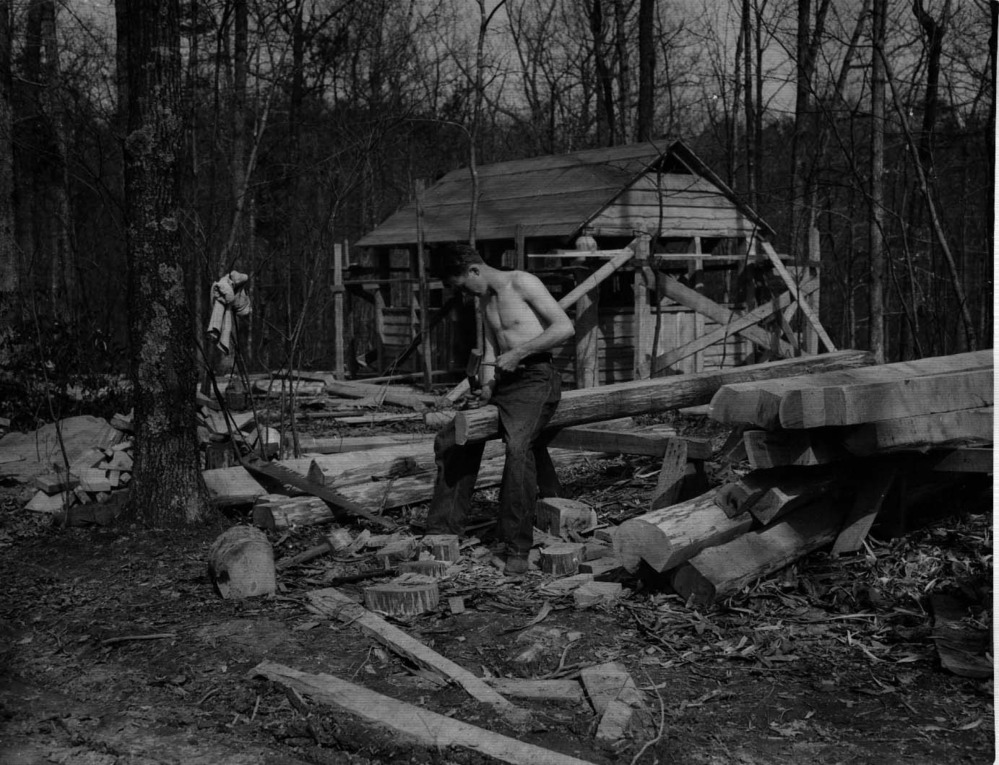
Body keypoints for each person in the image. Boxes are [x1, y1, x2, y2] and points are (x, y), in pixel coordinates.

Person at [425, 244, 574, 575]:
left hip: (537, 379)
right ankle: (441, 532)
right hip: (506, 384)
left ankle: (515, 547)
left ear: (475, 271)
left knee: (519, 447)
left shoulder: (522, 282)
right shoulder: (483, 300)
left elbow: (564, 328)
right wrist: (488, 387)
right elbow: (493, 346)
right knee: (456, 438)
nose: (465, 293)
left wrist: (519, 353)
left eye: (464, 285)